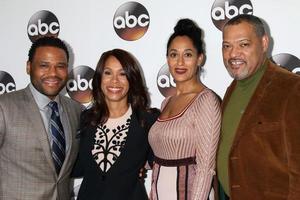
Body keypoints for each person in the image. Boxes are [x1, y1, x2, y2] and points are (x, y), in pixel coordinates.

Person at [216, 14, 300, 200]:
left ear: (264, 43)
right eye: (226, 46)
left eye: (243, 44)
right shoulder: (232, 89)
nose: (233, 54)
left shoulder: (291, 88)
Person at [0, 36, 82, 199]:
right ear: (29, 67)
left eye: (60, 66)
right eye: (44, 65)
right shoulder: (4, 107)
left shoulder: (76, 110)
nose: (53, 73)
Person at [72, 48, 160, 200]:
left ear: (132, 79)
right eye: (108, 73)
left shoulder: (148, 120)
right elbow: (77, 167)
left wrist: (140, 166)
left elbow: (161, 161)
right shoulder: (86, 118)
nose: (114, 80)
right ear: (99, 78)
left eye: (122, 74)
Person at [148, 18, 221, 200]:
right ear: (167, 59)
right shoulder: (166, 102)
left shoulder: (206, 101)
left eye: (188, 55)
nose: (180, 62)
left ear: (200, 58)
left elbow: (205, 168)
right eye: (174, 54)